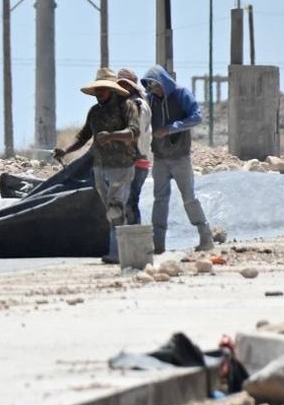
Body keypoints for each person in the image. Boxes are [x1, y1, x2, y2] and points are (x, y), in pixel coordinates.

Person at [52, 67, 140, 263]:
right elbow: (83, 137)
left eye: (102, 89)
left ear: (111, 90)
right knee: (111, 209)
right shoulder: (95, 112)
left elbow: (133, 132)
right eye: (97, 89)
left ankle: (118, 253)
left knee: (116, 209)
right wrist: (65, 151)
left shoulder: (127, 107)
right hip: (100, 167)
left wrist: (111, 136)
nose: (99, 93)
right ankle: (125, 250)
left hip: (122, 166)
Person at [143, 65, 216, 253]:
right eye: (151, 87)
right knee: (160, 200)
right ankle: (158, 244)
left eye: (156, 86)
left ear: (164, 82)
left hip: (180, 157)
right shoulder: (150, 100)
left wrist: (170, 128)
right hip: (160, 158)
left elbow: (196, 117)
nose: (154, 90)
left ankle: (205, 236)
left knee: (189, 198)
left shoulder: (181, 94)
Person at [117, 67, 152, 226]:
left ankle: (134, 236)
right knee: (128, 201)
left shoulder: (137, 105)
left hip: (135, 162)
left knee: (130, 202)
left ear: (131, 86)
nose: (122, 88)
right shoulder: (129, 104)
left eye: (125, 85)